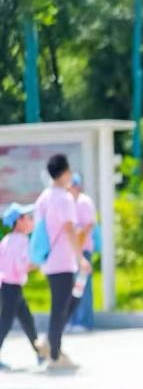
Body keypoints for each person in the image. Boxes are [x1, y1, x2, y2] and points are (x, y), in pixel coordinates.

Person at [34, 154, 90, 371]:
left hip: (48, 260)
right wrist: (80, 257)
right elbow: (68, 229)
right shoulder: (64, 198)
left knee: (64, 304)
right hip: (63, 260)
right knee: (62, 307)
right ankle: (54, 353)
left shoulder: (44, 197)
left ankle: (51, 344)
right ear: (65, 172)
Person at [0, 203, 47, 370]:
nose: (32, 221)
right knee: (5, 323)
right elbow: (22, 265)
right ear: (19, 221)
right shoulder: (21, 241)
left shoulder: (6, 240)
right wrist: (40, 261)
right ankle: (40, 353)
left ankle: (40, 353)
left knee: (27, 320)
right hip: (11, 287)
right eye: (29, 218)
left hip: (9, 287)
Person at [67, 172, 98, 332]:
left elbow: (88, 225)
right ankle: (74, 320)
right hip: (71, 252)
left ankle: (84, 321)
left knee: (82, 287)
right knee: (74, 288)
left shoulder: (84, 202)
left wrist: (77, 241)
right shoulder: (68, 203)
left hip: (82, 250)